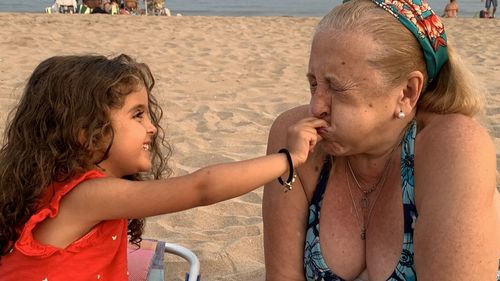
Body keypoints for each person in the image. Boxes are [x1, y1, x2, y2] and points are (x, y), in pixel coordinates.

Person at [0, 54, 327, 279]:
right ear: (86, 132)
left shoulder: (47, 185)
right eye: (138, 114)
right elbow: (203, 187)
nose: (153, 127)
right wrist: (289, 159)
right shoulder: (90, 194)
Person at [263, 0, 500, 280]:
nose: (316, 107)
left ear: (407, 92)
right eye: (313, 83)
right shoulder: (297, 140)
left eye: (336, 87)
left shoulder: (452, 148)